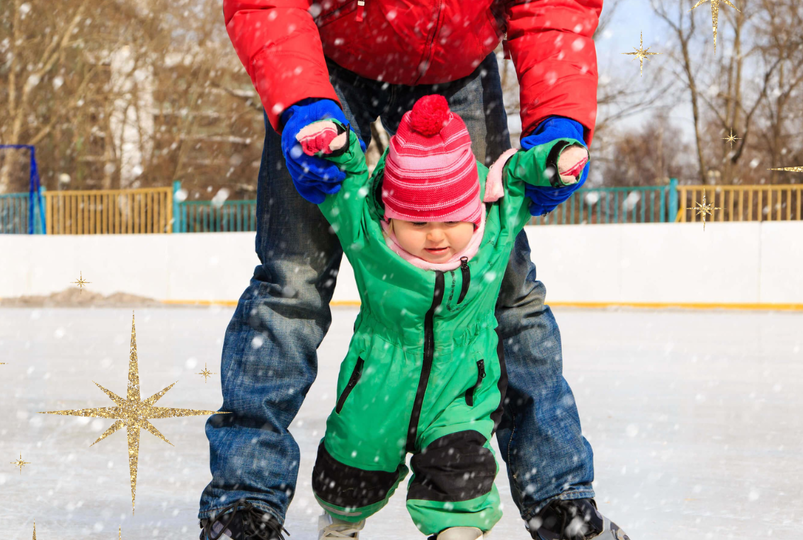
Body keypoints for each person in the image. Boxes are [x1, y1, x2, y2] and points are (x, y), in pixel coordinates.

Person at [201, 1, 627, 539]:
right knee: (291, 282)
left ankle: (560, 501)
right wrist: (301, 101)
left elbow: (552, 7)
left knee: (505, 290)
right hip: (325, 59)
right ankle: (245, 504)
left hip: (458, 66)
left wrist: (559, 121)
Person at [293, 95, 593, 540]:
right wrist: (334, 146)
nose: (436, 236)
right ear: (391, 220)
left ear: (473, 215)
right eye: (416, 224)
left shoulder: (491, 232)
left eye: (451, 220)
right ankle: (341, 526)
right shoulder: (370, 237)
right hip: (377, 389)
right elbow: (350, 180)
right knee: (347, 479)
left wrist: (555, 158)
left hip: (461, 393)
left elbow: (515, 177)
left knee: (461, 488)